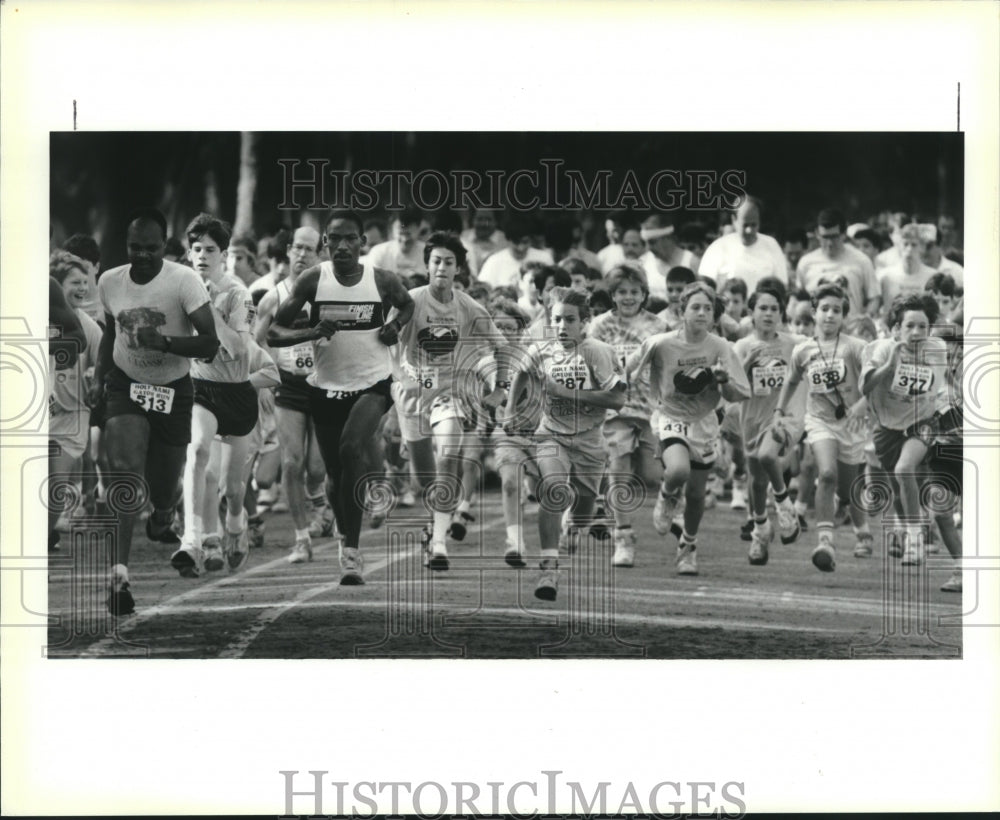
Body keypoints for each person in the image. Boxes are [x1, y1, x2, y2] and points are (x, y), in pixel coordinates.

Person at [269, 209, 415, 583]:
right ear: (326, 245)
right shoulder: (312, 280)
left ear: (362, 243)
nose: (343, 246)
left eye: (351, 238)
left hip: (373, 384)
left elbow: (407, 304)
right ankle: (342, 533)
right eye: (335, 239)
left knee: (352, 448)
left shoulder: (381, 280)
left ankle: (351, 550)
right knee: (334, 475)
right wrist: (312, 331)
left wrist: (394, 326)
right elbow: (274, 332)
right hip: (325, 387)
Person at [90, 208, 219, 614]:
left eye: (150, 247)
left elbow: (210, 343)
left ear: (164, 246)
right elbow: (111, 331)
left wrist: (163, 343)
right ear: (126, 246)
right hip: (126, 385)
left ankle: (164, 514)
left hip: (173, 390)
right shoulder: (110, 281)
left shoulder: (184, 282)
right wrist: (99, 377)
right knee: (125, 472)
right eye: (134, 247)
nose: (142, 254)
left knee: (162, 489)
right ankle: (119, 577)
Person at [393, 231, 507, 569]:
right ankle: (435, 523)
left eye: (449, 262)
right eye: (436, 261)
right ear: (427, 265)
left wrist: (499, 389)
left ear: (458, 269)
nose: (442, 267)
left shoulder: (468, 307)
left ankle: (439, 543)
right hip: (412, 396)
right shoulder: (410, 301)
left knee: (448, 456)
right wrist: (397, 381)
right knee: (427, 480)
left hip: (450, 395)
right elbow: (385, 345)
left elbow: (501, 346)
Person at [503, 288, 625, 599]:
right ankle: (549, 568)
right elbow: (521, 373)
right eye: (556, 319)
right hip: (551, 434)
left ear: (585, 321)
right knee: (554, 488)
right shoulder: (541, 349)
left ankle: (575, 527)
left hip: (589, 440)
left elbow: (617, 399)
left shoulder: (598, 352)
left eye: (569, 320)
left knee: (583, 507)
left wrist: (565, 392)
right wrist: (510, 411)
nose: (561, 326)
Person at [627, 282, 751, 575]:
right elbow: (629, 368)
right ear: (682, 311)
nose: (701, 313)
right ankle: (667, 497)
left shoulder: (721, 346)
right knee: (678, 470)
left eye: (708, 308)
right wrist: (621, 387)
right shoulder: (661, 343)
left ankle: (688, 546)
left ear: (714, 315)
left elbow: (739, 394)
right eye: (695, 307)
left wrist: (723, 381)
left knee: (696, 496)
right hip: (670, 415)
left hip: (704, 422)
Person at [169, 214, 259, 577]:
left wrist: (210, 310)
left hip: (236, 393)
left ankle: (236, 524)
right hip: (201, 387)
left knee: (231, 487)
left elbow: (238, 350)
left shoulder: (239, 294)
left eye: (210, 249)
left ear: (223, 254)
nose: (202, 256)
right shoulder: (180, 290)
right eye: (196, 249)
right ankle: (194, 538)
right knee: (198, 452)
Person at [773, 284, 870, 572]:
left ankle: (862, 530)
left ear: (843, 316)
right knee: (825, 473)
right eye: (824, 309)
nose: (830, 315)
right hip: (819, 422)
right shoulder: (803, 350)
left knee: (849, 488)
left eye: (836, 310)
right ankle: (825, 542)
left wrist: (862, 406)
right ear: (815, 312)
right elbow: (791, 380)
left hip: (851, 424)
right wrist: (779, 410)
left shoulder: (855, 348)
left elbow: (874, 383)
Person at [254, 226, 331, 562]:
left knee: (316, 468)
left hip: (325, 384)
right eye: (297, 248)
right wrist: (264, 380)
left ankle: (322, 505)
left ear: (320, 254)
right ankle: (302, 538)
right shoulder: (273, 296)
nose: (301, 255)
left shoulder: (329, 293)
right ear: (288, 251)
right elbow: (256, 343)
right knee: (291, 462)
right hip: (289, 385)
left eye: (309, 249)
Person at [861, 294, 955, 568]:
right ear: (895, 330)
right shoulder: (880, 350)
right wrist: (888, 366)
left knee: (905, 470)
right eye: (909, 326)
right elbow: (865, 388)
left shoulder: (936, 348)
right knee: (897, 488)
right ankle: (907, 527)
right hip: (887, 428)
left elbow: (938, 382)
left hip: (922, 423)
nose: (916, 333)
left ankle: (917, 541)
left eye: (922, 327)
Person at [587, 265, 667, 567]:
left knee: (650, 475)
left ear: (644, 294)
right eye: (622, 292)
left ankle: (670, 499)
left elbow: (666, 364)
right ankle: (623, 535)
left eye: (634, 291)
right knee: (618, 468)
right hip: (614, 408)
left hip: (650, 409)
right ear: (613, 295)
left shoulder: (658, 327)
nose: (628, 297)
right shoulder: (598, 326)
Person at [732, 285, 807, 564]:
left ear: (781, 313)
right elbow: (733, 388)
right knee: (756, 480)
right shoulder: (740, 347)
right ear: (751, 313)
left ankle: (785, 505)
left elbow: (821, 348)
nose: (768, 313)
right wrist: (745, 365)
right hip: (752, 416)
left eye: (774, 308)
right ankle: (760, 532)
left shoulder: (794, 344)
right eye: (762, 308)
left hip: (784, 417)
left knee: (766, 455)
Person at [48, 251, 104, 553]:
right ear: (57, 285)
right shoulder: (36, 314)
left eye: (85, 282)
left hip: (72, 418)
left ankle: (41, 538)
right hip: (38, 417)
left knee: (55, 484)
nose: (82, 288)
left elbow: (102, 366)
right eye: (74, 282)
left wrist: (96, 376)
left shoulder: (89, 327)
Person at [796, 209, 880, 319]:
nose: (829, 243)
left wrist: (866, 318)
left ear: (843, 234)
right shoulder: (805, 263)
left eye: (834, 237)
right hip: (816, 330)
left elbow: (874, 298)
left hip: (850, 329)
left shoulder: (861, 261)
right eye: (825, 237)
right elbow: (799, 300)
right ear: (817, 233)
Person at [698, 197, 789, 293]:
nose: (749, 230)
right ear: (734, 220)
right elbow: (704, 288)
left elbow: (782, 287)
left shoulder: (772, 245)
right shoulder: (717, 248)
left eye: (754, 225)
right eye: (745, 225)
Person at [478, 214, 554, 290]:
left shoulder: (544, 259)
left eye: (525, 242)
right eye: (516, 242)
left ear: (531, 239)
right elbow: (482, 290)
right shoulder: (494, 261)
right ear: (507, 240)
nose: (521, 248)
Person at [639, 214, 700, 301]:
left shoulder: (692, 262)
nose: (648, 248)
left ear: (668, 238)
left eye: (652, 242)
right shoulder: (644, 262)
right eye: (646, 243)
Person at [879, 223, 938, 311]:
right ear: (899, 246)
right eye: (905, 244)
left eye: (914, 245)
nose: (909, 249)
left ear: (922, 248)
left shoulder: (932, 276)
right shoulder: (885, 276)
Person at [365, 207, 428, 278]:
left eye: (408, 234)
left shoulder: (429, 253)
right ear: (392, 230)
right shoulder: (379, 253)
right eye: (401, 234)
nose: (404, 239)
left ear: (418, 229)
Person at [460, 208, 507, 278]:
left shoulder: (504, 241)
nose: (484, 224)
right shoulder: (464, 238)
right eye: (479, 219)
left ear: (496, 221)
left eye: (488, 219)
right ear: (472, 220)